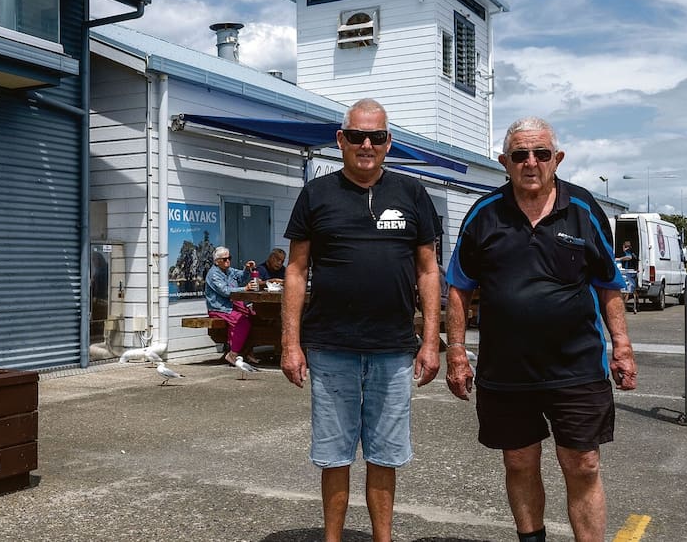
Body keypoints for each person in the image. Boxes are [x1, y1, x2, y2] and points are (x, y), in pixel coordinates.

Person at [443, 116, 637, 542]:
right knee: (519, 461)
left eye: (541, 154)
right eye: (520, 155)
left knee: (583, 464)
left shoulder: (584, 210)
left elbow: (609, 286)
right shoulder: (483, 214)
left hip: (577, 367)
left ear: (557, 159)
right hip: (507, 370)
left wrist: (621, 346)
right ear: (504, 162)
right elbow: (458, 287)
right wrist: (455, 352)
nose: (531, 163)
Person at [280, 98, 442, 542]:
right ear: (341, 140)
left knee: (385, 454)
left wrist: (432, 340)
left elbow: (429, 271)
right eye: (356, 136)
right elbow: (295, 270)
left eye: (376, 136)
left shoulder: (412, 194)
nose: (366, 144)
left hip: (393, 349)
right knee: (333, 454)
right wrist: (290, 343)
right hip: (331, 347)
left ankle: (381, 539)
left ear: (389, 142)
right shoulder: (316, 194)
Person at [204, 246, 260, 366]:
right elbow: (225, 291)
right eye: (224, 259)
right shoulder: (214, 274)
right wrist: (245, 288)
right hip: (220, 308)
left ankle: (247, 352)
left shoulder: (228, 270)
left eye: (229, 258)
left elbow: (241, 277)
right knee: (242, 321)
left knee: (253, 316)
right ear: (216, 261)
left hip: (232, 305)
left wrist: (247, 269)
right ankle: (233, 354)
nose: (228, 261)